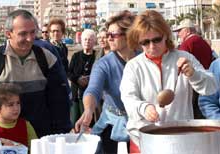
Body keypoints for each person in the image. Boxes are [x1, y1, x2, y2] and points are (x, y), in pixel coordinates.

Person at [120, 10, 217, 153]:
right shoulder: (133, 66)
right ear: (138, 42)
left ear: (165, 35)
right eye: (145, 42)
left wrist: (194, 75)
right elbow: (128, 98)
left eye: (156, 39)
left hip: (181, 139)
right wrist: (144, 108)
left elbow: (212, 87)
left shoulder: (185, 58)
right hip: (144, 140)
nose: (152, 46)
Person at [0, 9, 72, 138]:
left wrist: (60, 136)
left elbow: (60, 101)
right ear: (8, 34)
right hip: (3, 139)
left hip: (41, 138)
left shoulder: (47, 59)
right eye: (23, 34)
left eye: (33, 32)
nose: (29, 39)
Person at [75, 11, 136, 153]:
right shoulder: (103, 64)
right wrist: (89, 110)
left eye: (113, 35)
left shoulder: (143, 58)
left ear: (129, 35)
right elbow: (93, 90)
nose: (109, 38)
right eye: (107, 34)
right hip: (113, 124)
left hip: (141, 123)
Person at [173, 19, 213, 119]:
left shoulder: (187, 44)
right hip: (205, 80)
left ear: (187, 31)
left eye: (180, 31)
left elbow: (179, 63)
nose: (178, 34)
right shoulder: (204, 42)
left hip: (192, 83)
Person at [0, 83, 37, 147]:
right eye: (10, 105)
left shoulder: (26, 125)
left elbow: (35, 149)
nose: (16, 108)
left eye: (18, 103)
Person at [68, 29, 97, 125]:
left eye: (90, 39)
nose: (87, 42)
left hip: (91, 96)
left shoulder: (97, 56)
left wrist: (89, 79)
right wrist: (78, 79)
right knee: (75, 122)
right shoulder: (76, 56)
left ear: (94, 41)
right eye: (85, 39)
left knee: (89, 123)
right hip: (76, 94)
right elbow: (69, 73)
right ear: (81, 41)